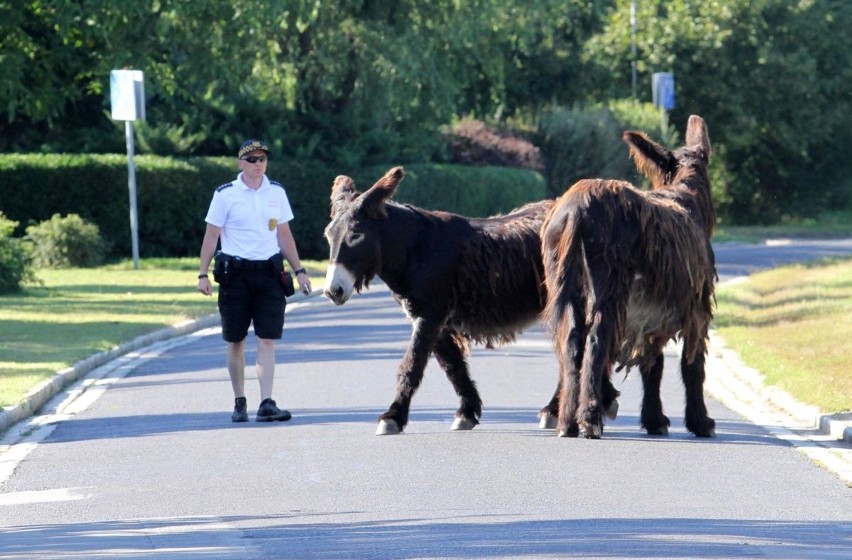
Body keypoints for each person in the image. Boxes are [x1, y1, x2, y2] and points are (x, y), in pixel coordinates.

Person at [197, 139, 311, 423]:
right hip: (235, 276)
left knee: (267, 340)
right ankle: (239, 402)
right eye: (251, 159)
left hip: (270, 275)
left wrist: (299, 270)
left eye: (262, 159)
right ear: (240, 163)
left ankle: (267, 402)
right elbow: (211, 236)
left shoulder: (277, 193)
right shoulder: (225, 195)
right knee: (236, 341)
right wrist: (202, 273)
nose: (257, 164)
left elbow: (284, 235)